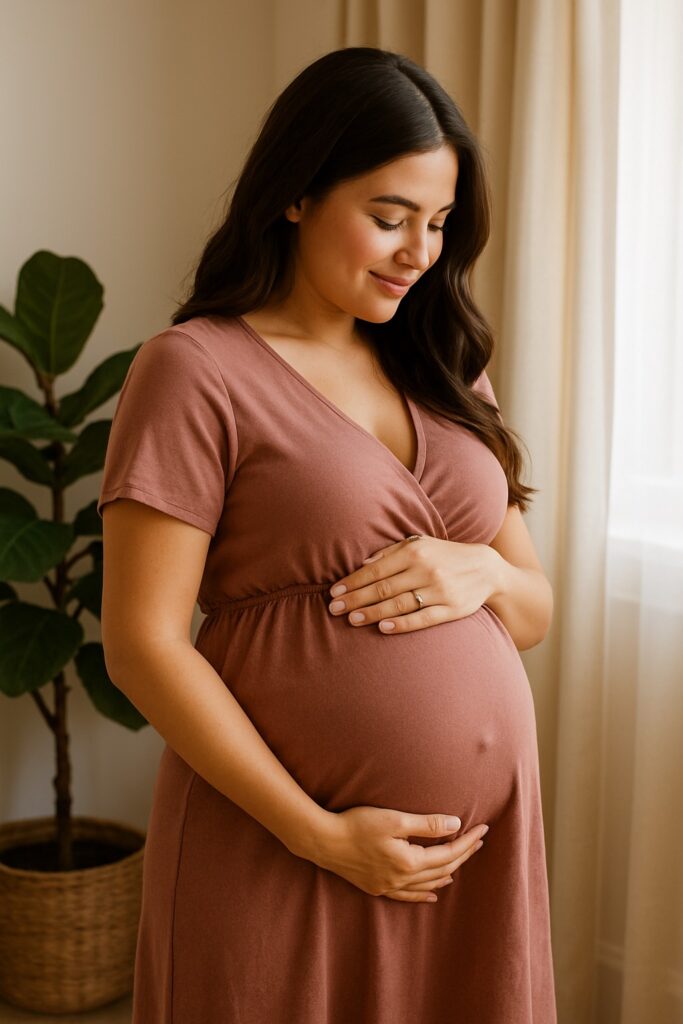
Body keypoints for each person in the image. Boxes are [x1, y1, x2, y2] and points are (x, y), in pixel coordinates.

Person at [98, 45, 557, 1023]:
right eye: (388, 218)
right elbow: (141, 644)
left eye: (436, 224)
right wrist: (318, 834)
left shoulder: (444, 365)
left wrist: (473, 565)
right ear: (297, 194)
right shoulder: (196, 369)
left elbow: (530, 607)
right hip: (284, 845)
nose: (416, 252)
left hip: (465, 864)